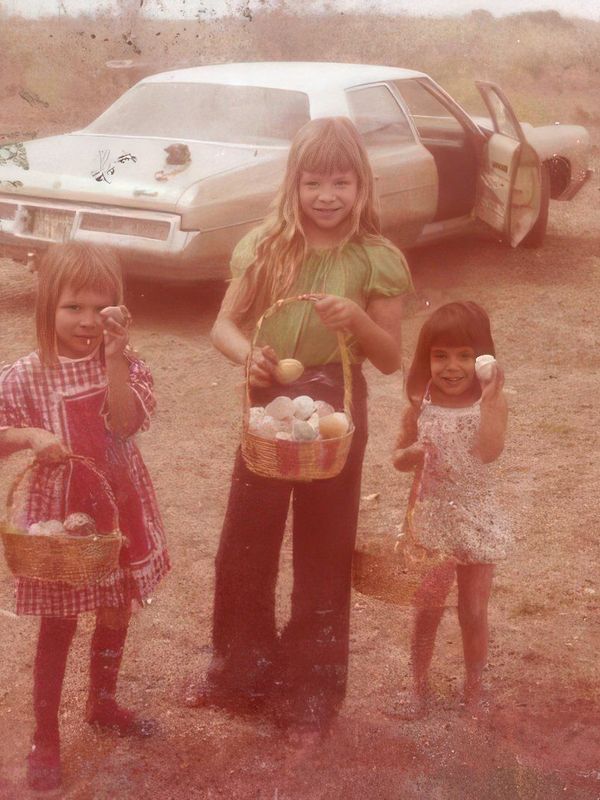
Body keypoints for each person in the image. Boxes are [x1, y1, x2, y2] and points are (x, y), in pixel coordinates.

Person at [186, 116, 412, 740]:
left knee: (325, 546)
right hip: (269, 402)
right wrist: (249, 358)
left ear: (362, 185)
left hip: (337, 404)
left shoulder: (377, 258)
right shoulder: (265, 246)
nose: (327, 196)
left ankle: (311, 690)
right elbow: (223, 327)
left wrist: (357, 322)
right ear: (294, 183)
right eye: (314, 182)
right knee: (245, 541)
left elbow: (390, 358)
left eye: (341, 182)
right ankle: (238, 674)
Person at [0, 242, 170, 791]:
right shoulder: (24, 375)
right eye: (73, 307)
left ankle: (102, 702)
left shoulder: (126, 364)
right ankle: (45, 736)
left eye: (101, 308)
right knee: (60, 620)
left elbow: (123, 423)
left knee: (116, 607)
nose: (88, 321)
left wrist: (116, 359)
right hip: (61, 519)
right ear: (47, 306)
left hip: (117, 507)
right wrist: (31, 435)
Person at [393, 301, 509, 717]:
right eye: (440, 355)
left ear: (482, 359)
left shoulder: (491, 402)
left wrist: (491, 400)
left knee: (473, 610)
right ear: (426, 358)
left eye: (464, 355)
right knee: (427, 609)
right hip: (433, 519)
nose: (452, 366)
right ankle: (418, 687)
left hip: (476, 516)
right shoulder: (419, 403)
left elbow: (489, 451)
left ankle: (475, 688)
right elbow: (397, 457)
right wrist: (411, 454)